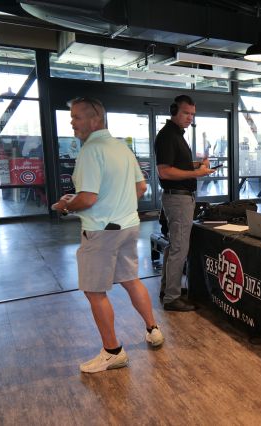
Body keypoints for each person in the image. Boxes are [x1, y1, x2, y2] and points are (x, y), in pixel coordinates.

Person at [51, 96, 164, 374]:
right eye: (72, 117)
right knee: (130, 279)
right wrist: (116, 203)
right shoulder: (121, 147)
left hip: (101, 231)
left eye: (77, 117)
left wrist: (65, 205)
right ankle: (153, 330)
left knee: (94, 291)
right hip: (128, 226)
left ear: (95, 120)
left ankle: (113, 352)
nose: (72, 123)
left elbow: (88, 198)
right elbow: (141, 187)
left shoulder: (91, 150)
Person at [155, 95, 215, 312]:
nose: (190, 118)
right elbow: (164, 171)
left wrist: (196, 165)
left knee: (174, 246)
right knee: (180, 248)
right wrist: (196, 173)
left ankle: (167, 289)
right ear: (174, 111)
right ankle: (172, 297)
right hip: (178, 198)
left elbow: (177, 164)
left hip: (180, 197)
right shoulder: (168, 136)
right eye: (186, 113)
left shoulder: (177, 135)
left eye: (192, 114)